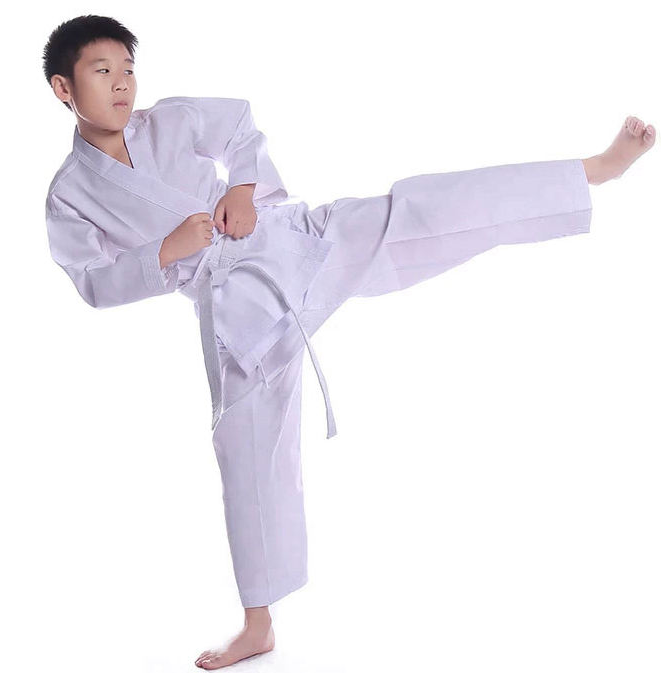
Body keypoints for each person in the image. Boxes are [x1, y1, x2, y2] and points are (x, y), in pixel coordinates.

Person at [42, 14, 655, 671]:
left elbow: (239, 124)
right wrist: (167, 249)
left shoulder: (172, 119)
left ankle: (589, 171)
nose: (122, 84)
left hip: (292, 241)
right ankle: (257, 626)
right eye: (102, 71)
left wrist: (244, 189)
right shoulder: (69, 194)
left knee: (416, 210)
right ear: (63, 88)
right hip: (237, 311)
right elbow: (93, 282)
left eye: (128, 69)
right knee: (245, 453)